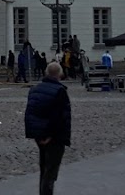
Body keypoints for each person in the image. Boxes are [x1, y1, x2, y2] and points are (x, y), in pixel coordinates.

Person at [24, 61, 72, 195]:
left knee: (44, 169)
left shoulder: (34, 89)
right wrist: (50, 136)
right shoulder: (60, 91)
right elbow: (60, 117)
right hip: (54, 137)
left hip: (40, 136)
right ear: (60, 74)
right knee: (50, 173)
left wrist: (37, 136)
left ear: (46, 73)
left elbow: (30, 114)